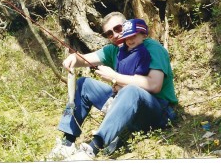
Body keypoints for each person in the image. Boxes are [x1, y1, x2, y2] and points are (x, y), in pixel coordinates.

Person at [46, 12, 178, 161]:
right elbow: (85, 59)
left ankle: (92, 149)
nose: (115, 35)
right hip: (127, 102)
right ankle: (67, 144)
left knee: (131, 90)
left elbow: (154, 85)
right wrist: (73, 58)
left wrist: (115, 77)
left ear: (128, 25)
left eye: (118, 28)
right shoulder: (115, 50)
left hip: (158, 111)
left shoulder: (151, 48)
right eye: (109, 33)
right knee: (84, 84)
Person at [101, 18, 151, 113]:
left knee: (117, 110)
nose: (130, 40)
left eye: (134, 36)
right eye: (126, 38)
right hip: (118, 90)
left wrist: (117, 83)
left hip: (131, 93)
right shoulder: (122, 51)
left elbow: (138, 82)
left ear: (144, 35)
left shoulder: (143, 54)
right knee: (109, 111)